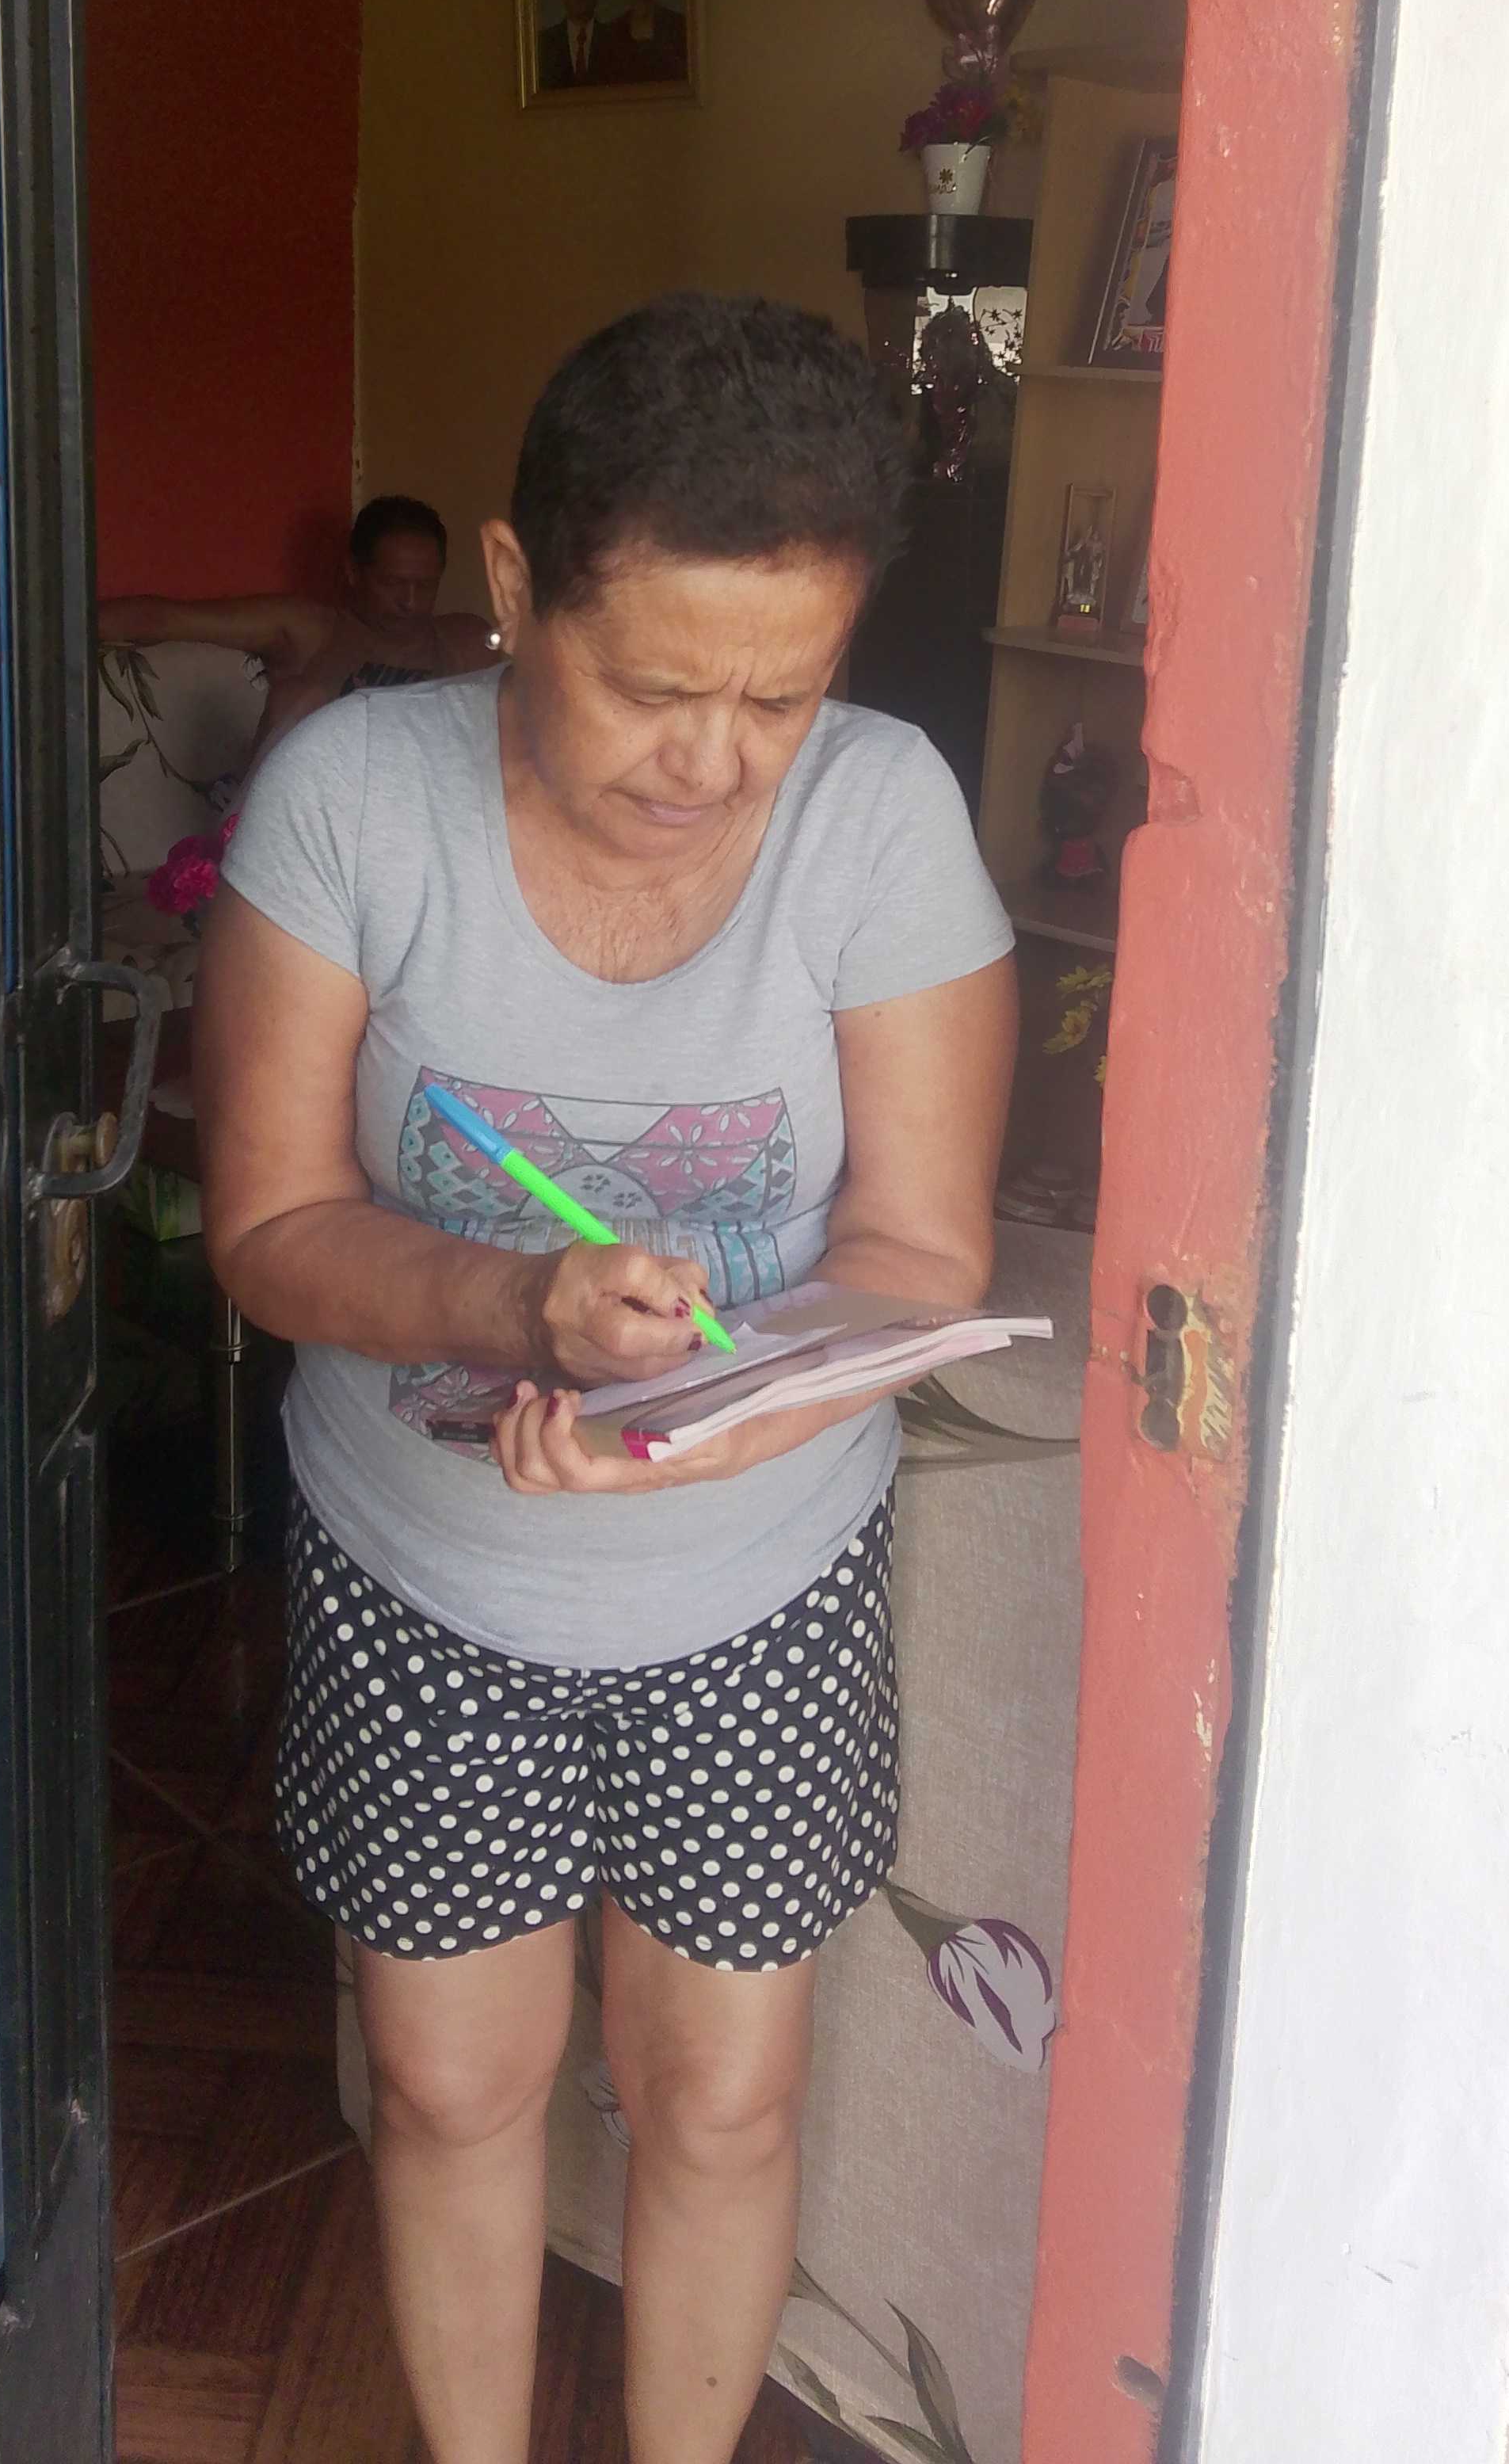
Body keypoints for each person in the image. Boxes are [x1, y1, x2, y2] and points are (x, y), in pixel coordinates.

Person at [194, 296, 1019, 2464]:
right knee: (452, 2084)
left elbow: (913, 1256)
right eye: (652, 686)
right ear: (509, 585)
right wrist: (520, 1311)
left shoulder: (878, 817)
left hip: (759, 1583)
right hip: (423, 1567)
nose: (714, 760)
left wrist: (706, 1426)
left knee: (717, 2101)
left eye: (779, 694)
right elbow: (269, 1225)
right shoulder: (352, 802)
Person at [98, 495, 498, 767]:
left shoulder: (465, 642)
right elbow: (164, 619)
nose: (410, 602)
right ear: (353, 572)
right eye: (393, 584)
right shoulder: (310, 629)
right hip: (305, 827)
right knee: (301, 697)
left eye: (425, 585)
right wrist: (65, 631)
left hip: (422, 832)